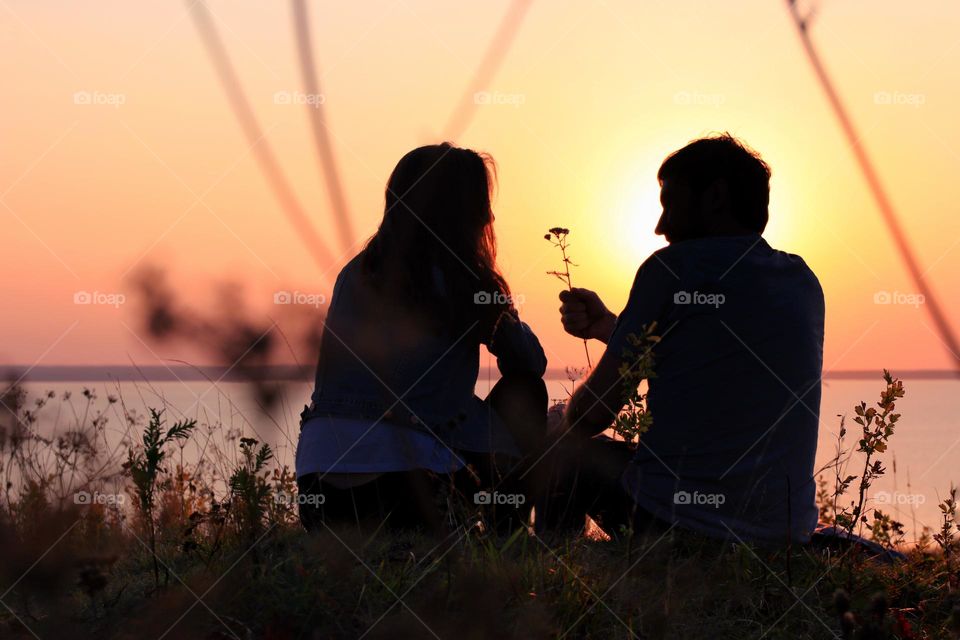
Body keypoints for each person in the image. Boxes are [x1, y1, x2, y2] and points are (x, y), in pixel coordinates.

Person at [545, 134, 824, 545]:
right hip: (781, 536)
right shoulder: (801, 280)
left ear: (715, 197)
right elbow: (711, 357)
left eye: (669, 204)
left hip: (676, 525)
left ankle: (549, 574)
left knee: (563, 436)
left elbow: (593, 413)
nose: (659, 227)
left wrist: (557, 422)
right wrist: (610, 327)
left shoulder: (671, 270)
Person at [295, 143, 548, 535]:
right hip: (406, 491)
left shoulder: (354, 273)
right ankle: (505, 542)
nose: (490, 216)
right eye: (483, 204)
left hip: (320, 494)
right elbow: (529, 363)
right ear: (472, 213)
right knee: (526, 391)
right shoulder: (468, 282)